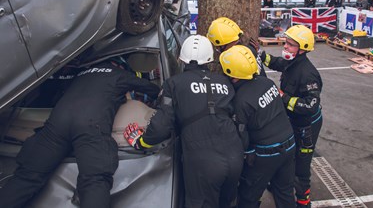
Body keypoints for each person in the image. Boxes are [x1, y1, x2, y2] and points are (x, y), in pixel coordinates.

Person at [0, 57, 160, 208]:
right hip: (89, 127)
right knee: (94, 180)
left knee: (27, 177)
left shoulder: (78, 76)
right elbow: (150, 88)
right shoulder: (119, 74)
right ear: (119, 65)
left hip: (56, 127)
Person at [124, 35, 244, 208]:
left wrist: (141, 141)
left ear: (181, 58)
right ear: (209, 58)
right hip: (235, 156)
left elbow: (162, 125)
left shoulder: (174, 83)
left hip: (203, 162)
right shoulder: (224, 81)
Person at [219, 45, 296, 208]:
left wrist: (246, 154)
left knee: (248, 196)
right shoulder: (266, 82)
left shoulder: (241, 99)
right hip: (289, 144)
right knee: (284, 191)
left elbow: (241, 134)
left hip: (267, 154)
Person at [259, 25, 323, 208]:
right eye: (286, 43)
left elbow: (310, 105)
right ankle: (281, 184)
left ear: (302, 49)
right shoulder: (292, 61)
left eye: (291, 45)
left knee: (301, 167)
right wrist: (261, 56)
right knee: (287, 156)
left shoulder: (308, 74)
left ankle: (303, 201)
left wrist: (284, 97)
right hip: (293, 120)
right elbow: (279, 63)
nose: (286, 47)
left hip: (307, 126)